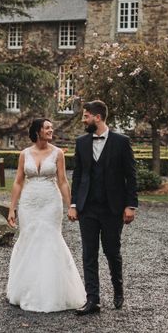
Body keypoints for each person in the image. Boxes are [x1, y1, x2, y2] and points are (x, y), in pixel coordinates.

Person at [6, 118, 87, 312]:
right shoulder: (24, 154)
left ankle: (53, 292)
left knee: (50, 240)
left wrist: (71, 205)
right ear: (37, 131)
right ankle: (27, 289)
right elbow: (18, 182)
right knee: (29, 240)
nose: (51, 130)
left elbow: (63, 181)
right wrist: (12, 208)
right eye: (47, 127)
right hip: (29, 203)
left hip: (51, 202)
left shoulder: (58, 153)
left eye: (51, 127)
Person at [68, 100, 138, 315]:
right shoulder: (81, 142)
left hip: (112, 208)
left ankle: (118, 290)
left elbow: (131, 176)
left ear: (97, 117)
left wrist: (131, 205)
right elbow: (78, 175)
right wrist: (73, 204)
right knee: (89, 253)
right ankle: (93, 300)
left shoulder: (121, 142)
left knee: (111, 251)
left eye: (86, 116)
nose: (83, 120)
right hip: (87, 208)